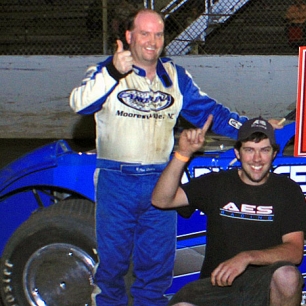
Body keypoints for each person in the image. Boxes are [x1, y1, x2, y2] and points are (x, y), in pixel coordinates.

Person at [69, 8, 265, 305]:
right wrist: (112, 72)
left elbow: (211, 112)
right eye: (144, 33)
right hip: (116, 179)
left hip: (161, 181)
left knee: (156, 272)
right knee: (111, 271)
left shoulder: (175, 76)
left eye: (158, 34)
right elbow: (79, 105)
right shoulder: (106, 70)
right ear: (128, 36)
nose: (152, 40)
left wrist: (253, 129)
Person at [151, 116, 306, 306]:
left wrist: (247, 257)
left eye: (264, 150)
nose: (257, 159)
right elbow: (161, 200)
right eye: (249, 150)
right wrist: (182, 154)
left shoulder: (287, 189)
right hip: (217, 285)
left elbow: (295, 252)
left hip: (262, 286)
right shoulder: (216, 183)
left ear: (274, 154)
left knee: (287, 276)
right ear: (237, 153)